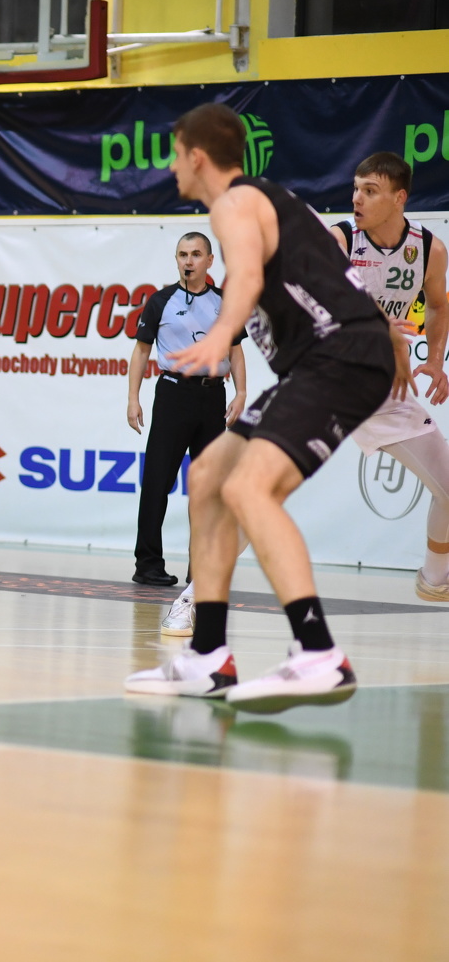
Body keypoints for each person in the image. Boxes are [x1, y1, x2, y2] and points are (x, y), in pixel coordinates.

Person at [124, 102, 400, 714]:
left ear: (198, 157)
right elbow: (340, 277)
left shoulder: (234, 203)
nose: (171, 167)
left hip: (337, 358)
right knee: (207, 476)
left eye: (175, 155)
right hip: (335, 358)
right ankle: (208, 657)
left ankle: (318, 654)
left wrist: (221, 335)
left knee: (248, 488)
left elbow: (246, 278)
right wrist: (391, 340)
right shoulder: (269, 201)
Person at [329, 152, 449, 599]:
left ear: (400, 198)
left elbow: (438, 305)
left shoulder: (429, 249)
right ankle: (195, 597)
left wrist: (434, 359)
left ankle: (435, 580)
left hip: (381, 384)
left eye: (370, 190)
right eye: (356, 188)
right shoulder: (339, 239)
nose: (356, 199)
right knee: (263, 488)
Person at [127, 232, 247, 591]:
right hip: (173, 394)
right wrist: (133, 398)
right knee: (157, 481)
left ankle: (202, 568)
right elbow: (141, 351)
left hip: (212, 397)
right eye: (182, 255)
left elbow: (236, 350)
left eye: (196, 254)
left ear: (210, 261)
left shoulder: (225, 302)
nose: (188, 261)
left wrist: (241, 392)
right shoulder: (160, 300)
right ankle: (148, 564)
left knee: (209, 488)